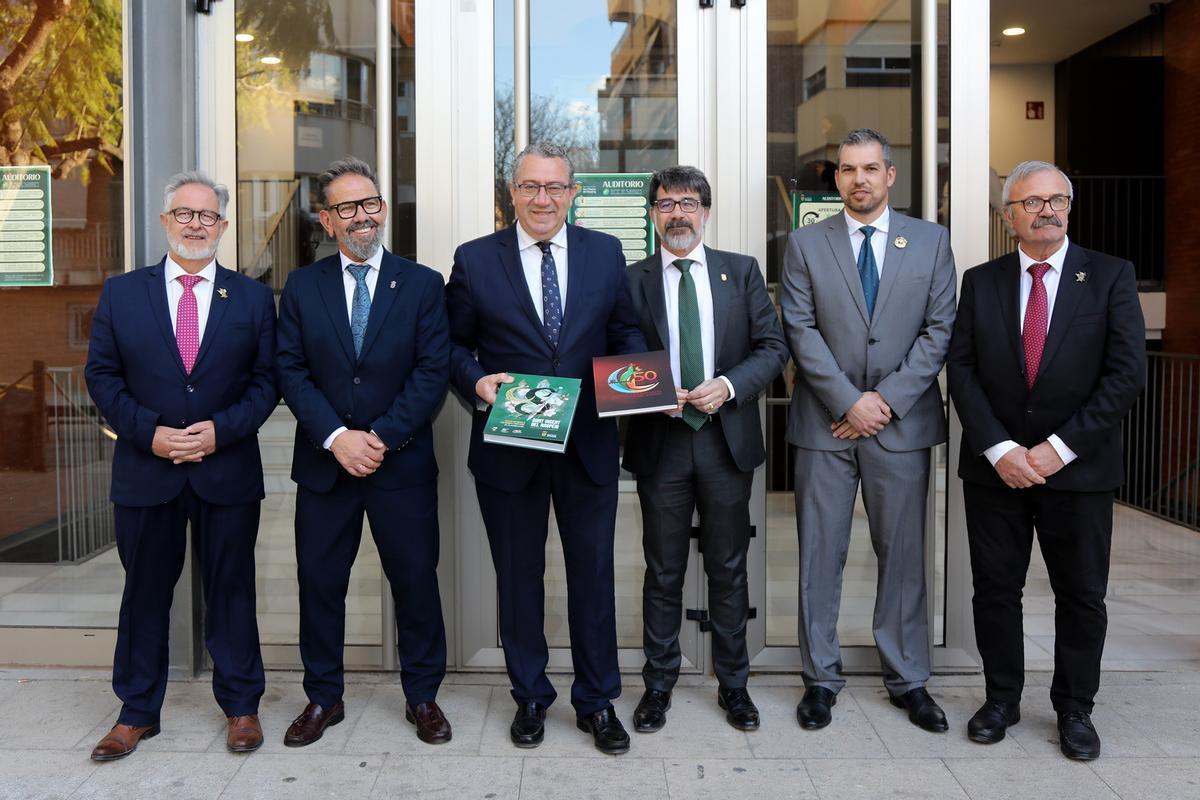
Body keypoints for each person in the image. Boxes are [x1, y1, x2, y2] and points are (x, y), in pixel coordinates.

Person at [445, 142, 646, 754]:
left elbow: (625, 329)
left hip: (587, 442)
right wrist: (475, 381)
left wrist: (637, 374)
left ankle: (597, 700)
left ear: (572, 192)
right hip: (510, 446)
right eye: (531, 187)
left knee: (593, 577)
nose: (543, 199)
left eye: (555, 187)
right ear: (512, 193)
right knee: (519, 578)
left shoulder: (605, 253)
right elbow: (452, 346)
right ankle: (530, 696)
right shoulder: (477, 260)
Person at [947, 160, 1146, 760]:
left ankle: (1075, 709)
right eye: (1032, 202)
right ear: (1010, 217)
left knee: (1082, 594)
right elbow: (962, 368)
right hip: (996, 470)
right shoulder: (982, 281)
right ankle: (1002, 698)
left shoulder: (1110, 276)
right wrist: (1002, 449)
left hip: (1079, 471)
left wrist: (1057, 450)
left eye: (1058, 199)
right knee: (995, 592)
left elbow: (1125, 373)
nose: (1048, 210)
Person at [84, 170, 278, 760]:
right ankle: (136, 712)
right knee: (144, 593)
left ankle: (242, 706)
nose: (197, 224)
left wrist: (220, 431)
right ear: (165, 221)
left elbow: (269, 381)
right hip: (148, 472)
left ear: (223, 225)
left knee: (232, 591)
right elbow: (102, 376)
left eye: (208, 215)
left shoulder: (250, 297)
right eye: (185, 214)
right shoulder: (122, 293)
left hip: (226, 470)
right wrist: (152, 435)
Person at [780, 128, 957, 733]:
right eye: (848, 169)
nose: (859, 179)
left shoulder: (932, 242)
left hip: (900, 425)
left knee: (903, 557)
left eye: (870, 168)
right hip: (824, 423)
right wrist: (849, 401)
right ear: (837, 180)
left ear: (890, 175)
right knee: (819, 557)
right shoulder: (805, 244)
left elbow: (940, 331)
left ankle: (908, 679)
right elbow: (799, 330)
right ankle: (820, 680)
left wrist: (882, 401)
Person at [275, 156, 452, 747]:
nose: (362, 217)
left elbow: (431, 372)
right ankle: (323, 697)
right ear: (326, 220)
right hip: (326, 466)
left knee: (415, 583)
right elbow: (291, 370)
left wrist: (377, 438)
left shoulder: (423, 284)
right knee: (320, 583)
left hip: (398, 463)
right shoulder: (302, 287)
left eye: (370, 203)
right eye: (346, 207)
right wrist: (336, 438)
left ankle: (422, 696)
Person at [623, 166, 788, 733]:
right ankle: (658, 685)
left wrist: (731, 385)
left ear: (705, 212)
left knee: (727, 566)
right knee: (663, 570)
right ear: (652, 214)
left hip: (726, 443)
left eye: (688, 204)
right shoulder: (632, 279)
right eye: (666, 204)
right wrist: (650, 394)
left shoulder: (740, 273)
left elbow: (772, 347)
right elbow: (614, 357)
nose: (677, 214)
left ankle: (734, 686)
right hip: (661, 443)